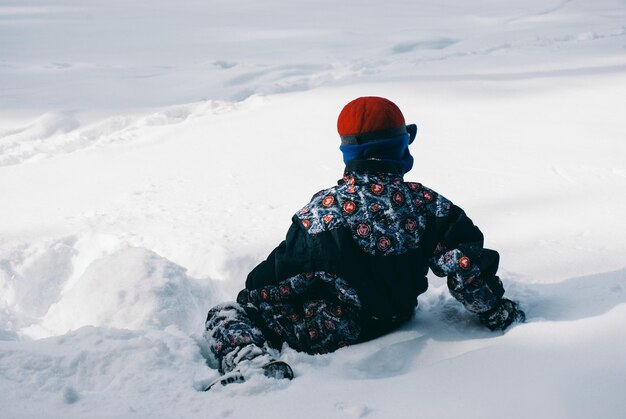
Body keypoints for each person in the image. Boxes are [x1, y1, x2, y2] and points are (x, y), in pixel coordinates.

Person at [202, 96, 525, 390]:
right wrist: (495, 311)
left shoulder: (323, 213)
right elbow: (467, 267)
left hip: (336, 328)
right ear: (401, 146)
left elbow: (274, 281)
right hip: (397, 315)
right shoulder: (428, 203)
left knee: (227, 311)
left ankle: (252, 364)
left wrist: (256, 295)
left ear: (347, 151)